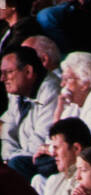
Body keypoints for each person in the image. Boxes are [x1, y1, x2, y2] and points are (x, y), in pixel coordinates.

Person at [1, 44, 59, 180]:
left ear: (28, 71)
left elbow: (41, 137)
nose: (2, 79)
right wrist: (7, 158)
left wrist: (12, 160)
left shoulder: (51, 90)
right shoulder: (16, 93)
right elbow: (8, 132)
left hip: (42, 158)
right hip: (18, 157)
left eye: (8, 72)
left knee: (16, 164)